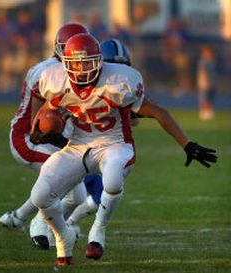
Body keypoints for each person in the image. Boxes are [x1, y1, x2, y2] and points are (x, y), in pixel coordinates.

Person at [31, 33, 217, 266]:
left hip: (114, 143)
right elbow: (49, 111)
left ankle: (98, 231)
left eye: (87, 62)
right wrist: (40, 127)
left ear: (99, 61)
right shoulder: (56, 80)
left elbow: (157, 111)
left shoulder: (118, 80)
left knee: (113, 179)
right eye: (76, 63)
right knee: (39, 195)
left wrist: (186, 144)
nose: (81, 69)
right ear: (66, 64)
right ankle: (63, 236)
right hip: (78, 146)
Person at [0, 23, 103, 250]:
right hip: (30, 137)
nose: (81, 61)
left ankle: (17, 218)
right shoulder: (49, 73)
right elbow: (41, 124)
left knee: (75, 197)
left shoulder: (70, 70)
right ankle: (38, 225)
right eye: (76, 55)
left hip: (50, 138)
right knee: (67, 183)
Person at [66, 38, 133, 229]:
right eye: (113, 65)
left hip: (106, 150)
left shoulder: (122, 88)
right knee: (73, 195)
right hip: (80, 150)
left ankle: (67, 223)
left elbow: (140, 112)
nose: (118, 72)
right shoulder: (82, 87)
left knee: (100, 194)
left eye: (122, 67)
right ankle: (55, 225)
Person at [197, 45, 216, 120]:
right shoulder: (203, 61)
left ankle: (208, 112)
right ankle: (203, 113)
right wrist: (206, 82)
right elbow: (203, 72)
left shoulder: (211, 61)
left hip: (211, 83)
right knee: (204, 98)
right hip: (205, 84)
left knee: (210, 98)